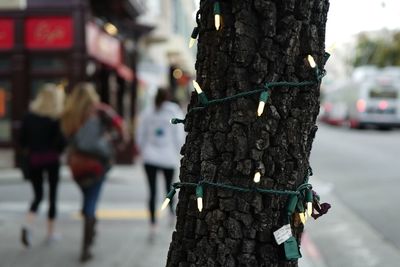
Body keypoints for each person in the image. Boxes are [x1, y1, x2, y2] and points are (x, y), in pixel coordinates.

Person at [60, 82, 127, 262]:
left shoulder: (69, 114)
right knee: (91, 202)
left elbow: (65, 139)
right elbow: (121, 129)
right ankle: (86, 247)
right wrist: (112, 142)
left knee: (87, 198)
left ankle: (90, 225)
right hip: (97, 165)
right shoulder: (100, 111)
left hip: (76, 165)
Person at [19, 83, 66, 247]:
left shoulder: (29, 117)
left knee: (38, 196)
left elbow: (21, 141)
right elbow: (61, 143)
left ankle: (27, 224)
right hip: (52, 160)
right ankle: (50, 233)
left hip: (34, 160)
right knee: (52, 197)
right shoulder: (55, 119)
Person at [136, 88, 185, 239]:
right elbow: (179, 134)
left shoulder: (148, 112)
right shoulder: (173, 110)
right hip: (168, 157)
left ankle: (153, 224)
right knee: (168, 188)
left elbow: (140, 134)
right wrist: (178, 151)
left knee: (152, 191)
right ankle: (170, 213)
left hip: (150, 157)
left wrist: (143, 150)